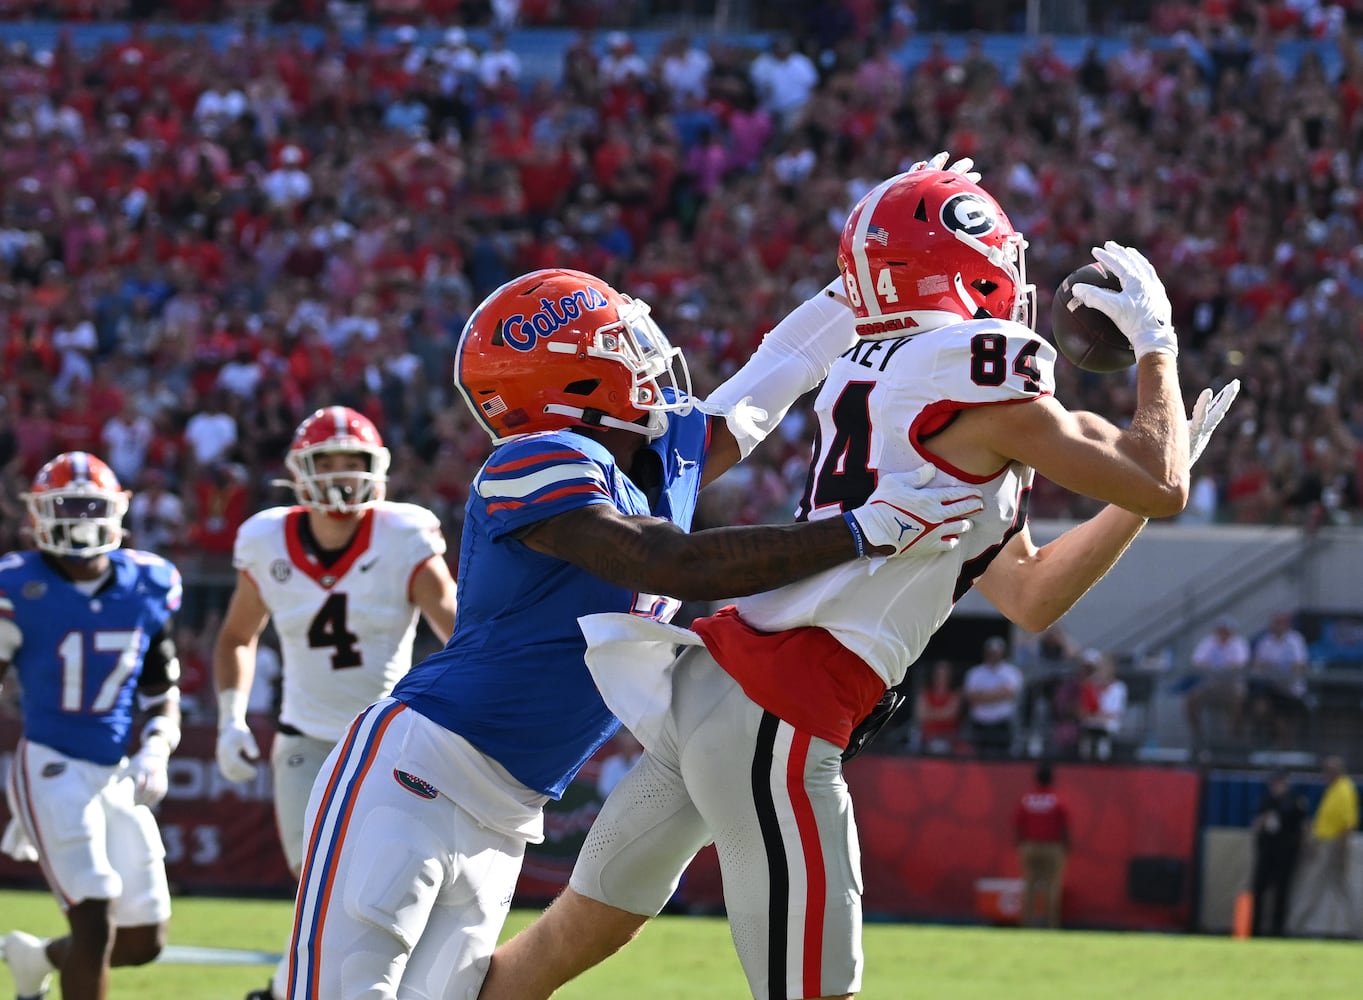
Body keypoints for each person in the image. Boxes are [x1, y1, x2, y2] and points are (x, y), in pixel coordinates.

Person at [477, 164, 1240, 1000]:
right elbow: (1156, 477)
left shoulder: (894, 374)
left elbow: (1032, 595)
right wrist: (1156, 347)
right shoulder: (976, 367)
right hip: (782, 710)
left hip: (717, 693)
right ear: (972, 266)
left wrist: (1133, 499)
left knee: (554, 951)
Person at [282, 265, 982, 1000]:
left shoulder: (658, 455)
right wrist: (861, 530)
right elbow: (663, 559)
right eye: (617, 341)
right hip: (413, 775)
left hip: (509, 810)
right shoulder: (532, 459)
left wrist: (866, 278)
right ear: (570, 377)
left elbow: (779, 372)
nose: (646, 353)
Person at [211, 406, 459, 1000]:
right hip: (304, 740)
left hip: (384, 740)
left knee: (377, 892)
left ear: (378, 471)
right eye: (328, 462)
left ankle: (284, 992)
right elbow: (236, 637)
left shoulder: (403, 535)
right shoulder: (266, 537)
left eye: (355, 463)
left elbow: (457, 628)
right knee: (315, 891)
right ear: (301, 471)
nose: (342, 475)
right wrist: (228, 718)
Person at [0, 452, 184, 1000]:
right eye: (66, 505)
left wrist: (156, 749)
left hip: (115, 772)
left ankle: (35, 958)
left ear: (116, 513)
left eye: (90, 506)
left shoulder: (147, 582)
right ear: (38, 514)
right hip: (51, 761)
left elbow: (160, 688)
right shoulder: (18, 585)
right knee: (95, 912)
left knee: (144, 939)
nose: (79, 518)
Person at [1296, 755, 1360, 937]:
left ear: (1335, 772)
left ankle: (1298, 926)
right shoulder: (1333, 790)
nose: (1323, 776)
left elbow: (1347, 823)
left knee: (1318, 885)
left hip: (1333, 846)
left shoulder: (1344, 790)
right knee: (1340, 888)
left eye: (1327, 772)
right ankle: (1356, 928)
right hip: (1326, 843)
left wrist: (1342, 850)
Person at [1250, 770, 1308, 938]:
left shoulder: (1295, 801)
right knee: (1259, 889)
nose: (1275, 787)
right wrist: (1262, 822)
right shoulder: (1266, 801)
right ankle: (1255, 928)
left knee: (1282, 891)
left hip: (1286, 852)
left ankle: (1277, 929)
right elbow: (1256, 825)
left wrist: (1304, 848)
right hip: (1267, 851)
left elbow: (1303, 826)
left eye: (1278, 784)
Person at [1014, 762, 1070, 929]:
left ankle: (1026, 923)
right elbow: (1065, 826)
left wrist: (1021, 845)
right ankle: (1051, 924)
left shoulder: (1027, 799)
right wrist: (1066, 847)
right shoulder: (1057, 800)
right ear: (1052, 779)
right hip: (1052, 847)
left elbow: (1018, 824)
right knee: (1052, 886)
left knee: (1029, 885)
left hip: (1030, 846)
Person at [1183, 614, 1250, 752]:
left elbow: (1238, 665)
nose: (1223, 634)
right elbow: (1197, 662)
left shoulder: (1239, 643)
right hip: (1212, 685)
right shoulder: (1209, 642)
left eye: (1226, 631)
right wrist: (1220, 669)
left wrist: (1217, 668)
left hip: (1232, 685)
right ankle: (1198, 736)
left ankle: (1232, 739)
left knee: (1238, 699)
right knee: (1191, 699)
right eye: (1220, 630)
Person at [1246, 611, 1310, 748]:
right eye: (1274, 623)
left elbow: (1299, 666)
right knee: (1260, 708)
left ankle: (1286, 747)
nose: (1276, 626)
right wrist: (1273, 669)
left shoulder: (1295, 640)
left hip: (1292, 690)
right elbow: (1257, 666)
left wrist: (1274, 668)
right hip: (1271, 688)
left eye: (1279, 623)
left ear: (1286, 625)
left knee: (1288, 721)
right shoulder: (1265, 642)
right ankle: (1265, 743)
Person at [964, 636, 1022, 758]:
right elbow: (970, 697)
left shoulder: (1011, 672)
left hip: (1002, 724)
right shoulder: (975, 673)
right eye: (991, 652)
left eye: (996, 652)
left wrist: (983, 695)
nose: (994, 655)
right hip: (980, 724)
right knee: (978, 759)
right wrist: (998, 693)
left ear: (1002, 653)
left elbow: (1010, 694)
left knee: (1003, 759)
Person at [1078, 650, 1127, 761]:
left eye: (1105, 668)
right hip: (1093, 718)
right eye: (1100, 668)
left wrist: (1098, 716)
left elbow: (1116, 712)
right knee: (1086, 727)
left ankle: (1104, 758)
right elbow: (1086, 708)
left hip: (1109, 721)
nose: (1102, 671)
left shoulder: (1119, 687)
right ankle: (1084, 759)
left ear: (1112, 669)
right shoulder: (1093, 686)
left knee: (1104, 728)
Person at [914, 660, 961, 754]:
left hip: (949, 738)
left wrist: (930, 712)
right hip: (926, 738)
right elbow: (920, 716)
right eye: (938, 674)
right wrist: (942, 712)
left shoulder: (955, 694)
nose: (941, 677)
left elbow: (950, 715)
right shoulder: (925, 693)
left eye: (945, 674)